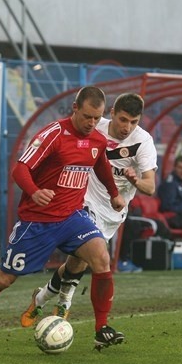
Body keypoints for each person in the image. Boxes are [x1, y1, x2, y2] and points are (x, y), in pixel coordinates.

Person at [0, 86, 127, 352]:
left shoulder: (97, 140)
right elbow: (20, 169)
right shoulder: (53, 134)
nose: (91, 123)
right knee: (4, 280)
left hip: (73, 216)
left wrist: (114, 194)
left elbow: (99, 163)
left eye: (96, 118)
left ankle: (101, 329)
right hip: (38, 221)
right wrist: (35, 191)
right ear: (75, 108)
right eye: (87, 116)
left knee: (101, 258)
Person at [19, 92, 157, 326]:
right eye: (123, 120)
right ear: (111, 113)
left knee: (76, 263)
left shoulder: (143, 142)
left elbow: (150, 186)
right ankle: (66, 303)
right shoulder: (93, 124)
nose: (127, 127)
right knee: (89, 256)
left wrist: (135, 182)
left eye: (134, 122)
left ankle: (42, 297)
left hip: (113, 210)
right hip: (84, 200)